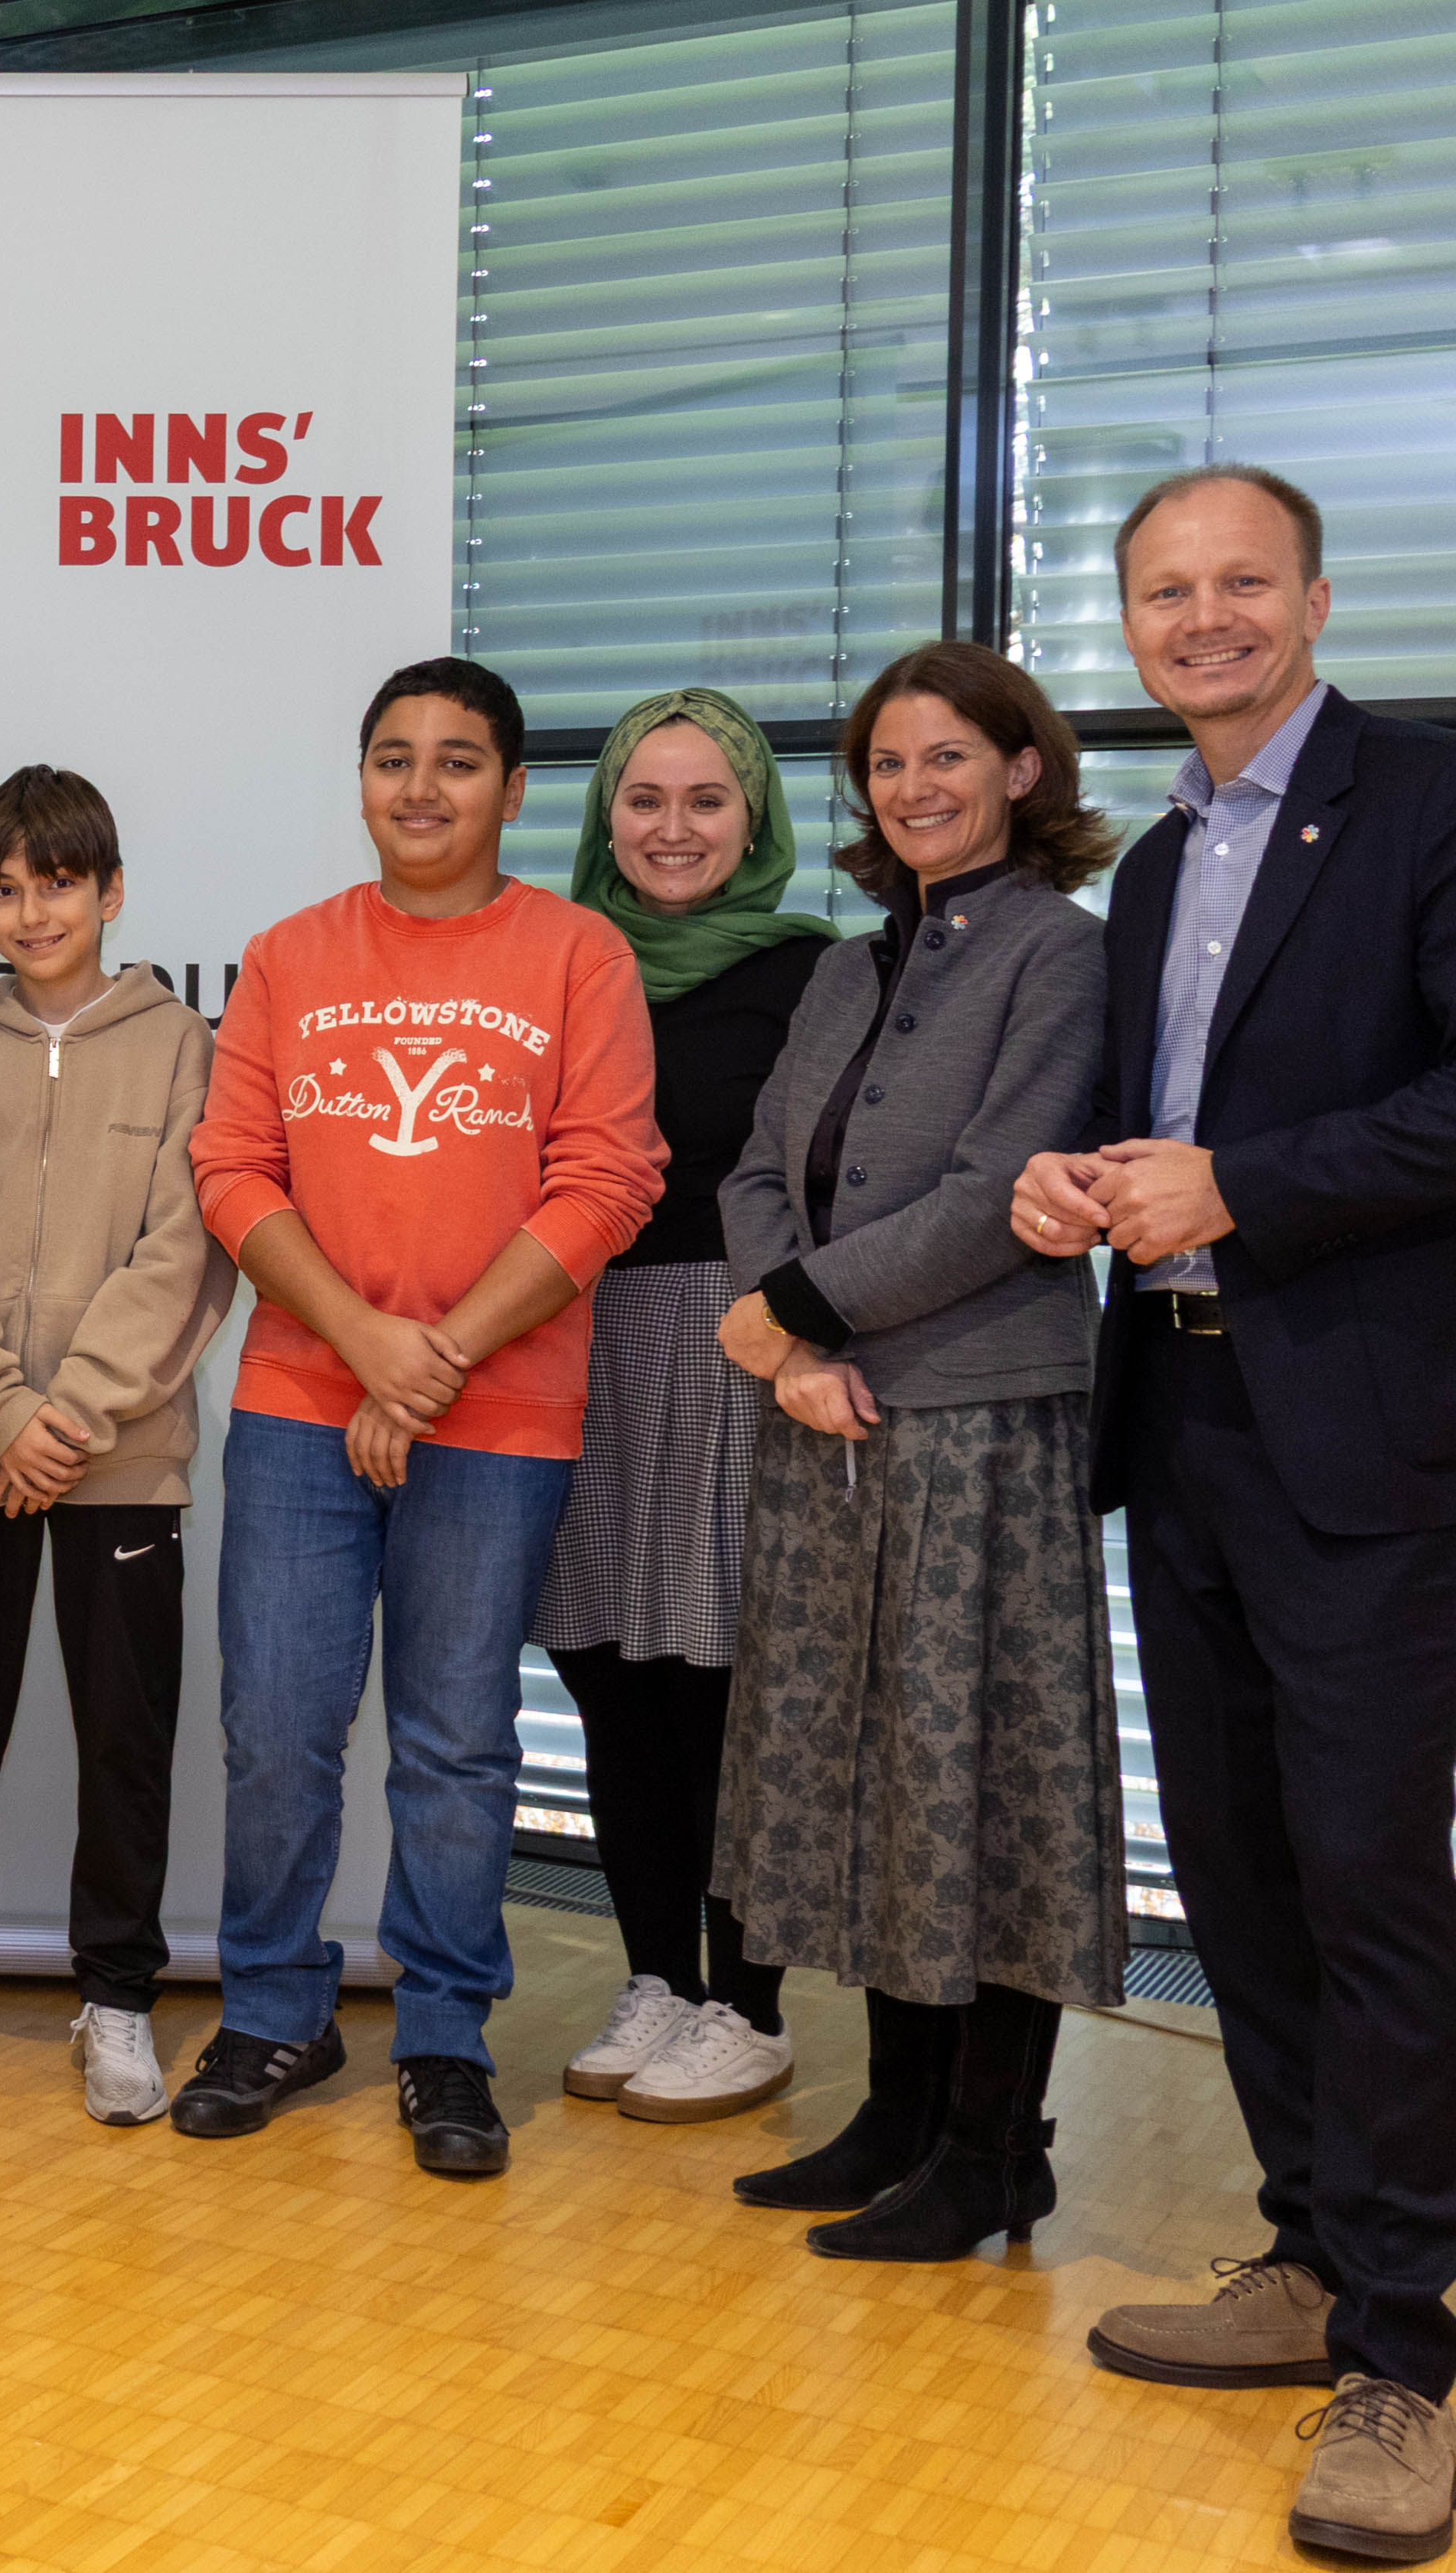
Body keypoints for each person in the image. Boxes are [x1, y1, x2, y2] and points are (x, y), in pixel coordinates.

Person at [1014, 467, 1456, 2565]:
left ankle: (1400, 2359)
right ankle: (1304, 2254)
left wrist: (1237, 1187)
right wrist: (1079, 1179)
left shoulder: (1450, 805)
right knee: (1243, 1869)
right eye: (1163, 590)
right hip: (1182, 1416)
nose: (1203, 618)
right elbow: (1178, 1122)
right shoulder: (1164, 860)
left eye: (1238, 581)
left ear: (1315, 596)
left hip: (1374, 1434)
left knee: (1364, 1871)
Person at [177, 655, 661, 2176]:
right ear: (362, 780)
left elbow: (608, 1180)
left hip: (496, 1411)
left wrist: (430, 1358)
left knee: (453, 1744)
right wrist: (364, 1344)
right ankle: (272, 2007)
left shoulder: (577, 957)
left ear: (513, 790)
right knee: (276, 1729)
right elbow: (232, 1172)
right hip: (298, 1402)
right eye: (394, 757)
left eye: (459, 761)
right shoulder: (288, 954)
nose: (422, 787)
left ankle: (444, 2036)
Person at [711, 643, 1121, 2260]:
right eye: (888, 763)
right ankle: (893, 2111)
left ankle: (987, 2145)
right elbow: (758, 1168)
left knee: (984, 1775)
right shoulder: (840, 967)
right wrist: (784, 1333)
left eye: (947, 756)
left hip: (978, 1424)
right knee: (863, 1763)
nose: (914, 787)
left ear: (1021, 769)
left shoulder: (1061, 958)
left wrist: (795, 1313)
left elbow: (995, 1190)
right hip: (825, 1418)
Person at [0, 765, 227, 2124]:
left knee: (122, 1734)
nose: (32, 910)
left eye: (57, 882)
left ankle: (118, 1996)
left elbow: (184, 1251)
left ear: (110, 889)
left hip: (118, 1455)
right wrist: (2, 1415)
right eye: (3, 889)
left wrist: (67, 1415)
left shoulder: (184, 1046)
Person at [539, 690, 834, 2127]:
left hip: (736, 1342)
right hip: (578, 1334)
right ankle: (657, 1973)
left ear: (756, 819)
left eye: (705, 801)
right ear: (605, 814)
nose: (671, 829)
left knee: (729, 1687)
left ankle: (750, 2002)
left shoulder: (816, 974)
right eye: (643, 801)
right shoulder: (558, 962)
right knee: (612, 1675)